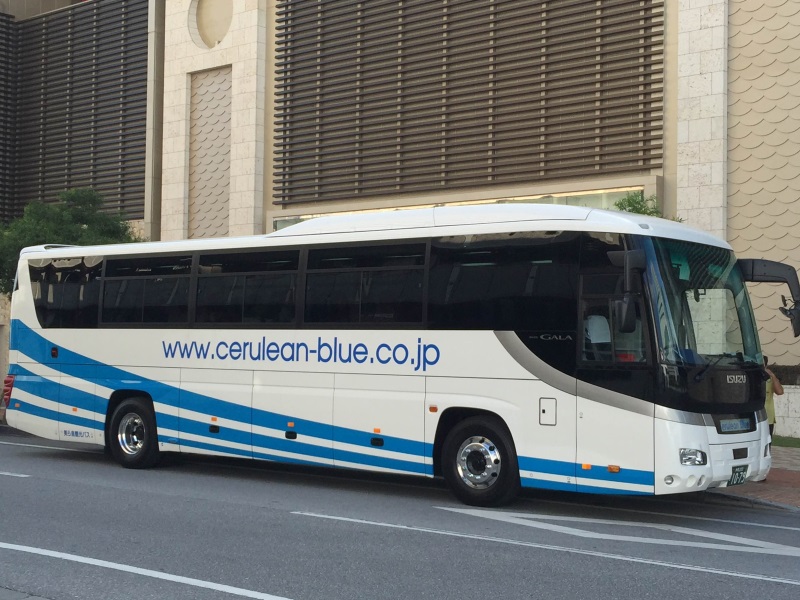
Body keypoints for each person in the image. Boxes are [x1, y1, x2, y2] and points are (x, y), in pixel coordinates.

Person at [764, 356, 784, 437]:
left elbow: (780, 392)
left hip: (768, 418)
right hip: (753, 417)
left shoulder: (770, 379)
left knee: (767, 443)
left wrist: (772, 375)